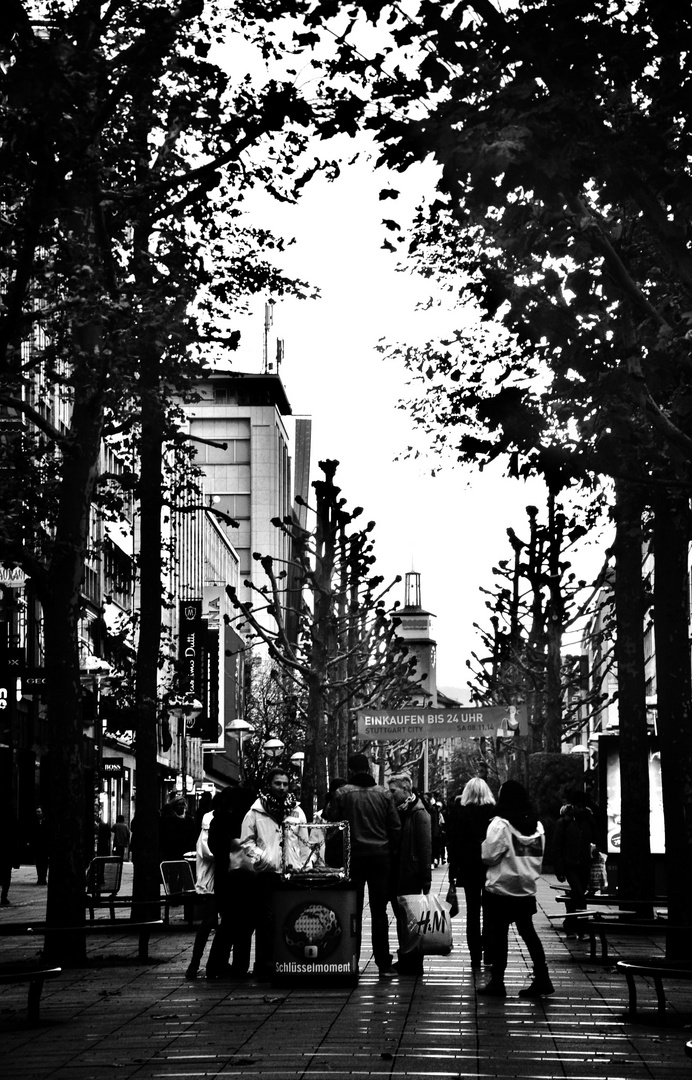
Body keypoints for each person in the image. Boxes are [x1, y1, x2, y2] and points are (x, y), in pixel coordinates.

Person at [324, 752, 401, 979]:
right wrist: (392, 852)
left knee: (352, 910)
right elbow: (395, 827)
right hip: (381, 857)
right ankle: (384, 963)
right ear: (368, 769)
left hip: (353, 857)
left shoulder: (342, 794)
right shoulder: (384, 794)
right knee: (379, 911)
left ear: (349, 771)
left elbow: (332, 820)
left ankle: (351, 960)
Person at [478, 779, 554, 998]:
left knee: (499, 934)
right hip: (526, 887)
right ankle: (542, 976)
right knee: (528, 932)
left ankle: (498, 981)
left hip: (501, 888)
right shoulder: (537, 826)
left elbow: (488, 856)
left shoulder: (500, 824)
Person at [241, 769, 307, 980]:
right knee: (266, 921)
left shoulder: (297, 811)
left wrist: (305, 864)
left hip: (292, 874)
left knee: (291, 919)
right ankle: (266, 964)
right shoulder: (255, 812)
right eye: (277, 783)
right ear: (269, 784)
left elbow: (305, 842)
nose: (281, 787)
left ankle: (289, 961)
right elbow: (246, 841)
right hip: (267, 874)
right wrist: (261, 858)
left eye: (285, 784)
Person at [205, 786, 258, 980]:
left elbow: (215, 849)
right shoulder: (244, 821)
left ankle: (218, 964)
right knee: (244, 925)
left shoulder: (218, 820)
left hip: (225, 878)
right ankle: (237, 966)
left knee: (229, 923)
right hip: (242, 878)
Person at [446, 777, 496, 967]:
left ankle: (475, 953)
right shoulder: (493, 812)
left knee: (472, 910)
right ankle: (489, 952)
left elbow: (455, 843)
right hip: (490, 865)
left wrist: (453, 871)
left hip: (469, 864)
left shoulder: (460, 812)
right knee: (490, 911)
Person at [388, 772, 432, 976]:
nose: (391, 794)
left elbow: (425, 848)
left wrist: (426, 879)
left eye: (393, 790)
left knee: (412, 919)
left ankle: (413, 961)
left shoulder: (418, 813)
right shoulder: (400, 810)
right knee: (403, 918)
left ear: (406, 790)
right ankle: (406, 958)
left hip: (411, 874)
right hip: (400, 872)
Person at [552, 788, 601, 935]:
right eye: (578, 806)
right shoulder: (564, 823)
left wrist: (595, 850)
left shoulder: (589, 821)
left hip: (585, 865)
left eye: (583, 806)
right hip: (570, 865)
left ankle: (570, 923)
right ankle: (582, 927)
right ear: (573, 806)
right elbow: (557, 847)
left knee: (577, 894)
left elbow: (597, 840)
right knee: (580, 894)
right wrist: (560, 870)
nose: (581, 809)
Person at [185, 793, 219, 979]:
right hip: (211, 883)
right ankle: (196, 963)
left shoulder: (208, 822)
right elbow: (209, 852)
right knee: (209, 921)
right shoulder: (209, 824)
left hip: (214, 881)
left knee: (212, 922)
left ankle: (204, 963)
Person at [159, 793, 198, 861]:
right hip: (171, 853)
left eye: (182, 804)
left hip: (186, 853)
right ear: (174, 806)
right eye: (179, 804)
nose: (181, 806)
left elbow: (193, 835)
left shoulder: (189, 820)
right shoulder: (168, 820)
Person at [32, 806, 49, 885]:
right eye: (37, 812)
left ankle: (43, 878)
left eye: (39, 812)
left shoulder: (46, 822)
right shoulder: (34, 822)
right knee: (38, 863)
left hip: (44, 846)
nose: (38, 813)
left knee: (44, 863)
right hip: (38, 846)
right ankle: (39, 877)